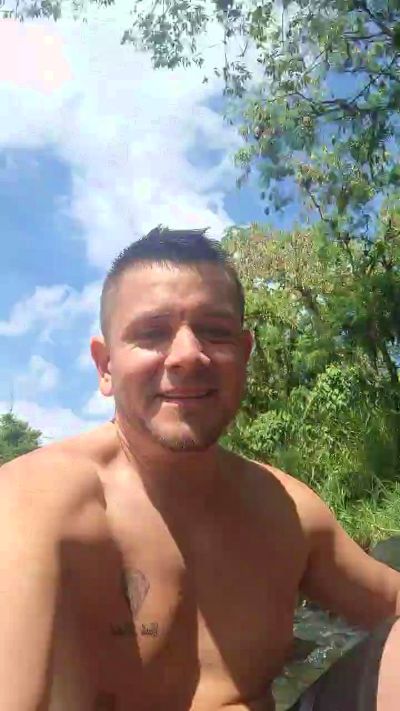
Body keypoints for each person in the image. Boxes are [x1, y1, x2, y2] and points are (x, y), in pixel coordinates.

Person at [0, 227, 399, 711]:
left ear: (244, 355)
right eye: (152, 333)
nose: (189, 355)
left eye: (215, 331)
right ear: (105, 367)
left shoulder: (287, 511)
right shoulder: (33, 504)